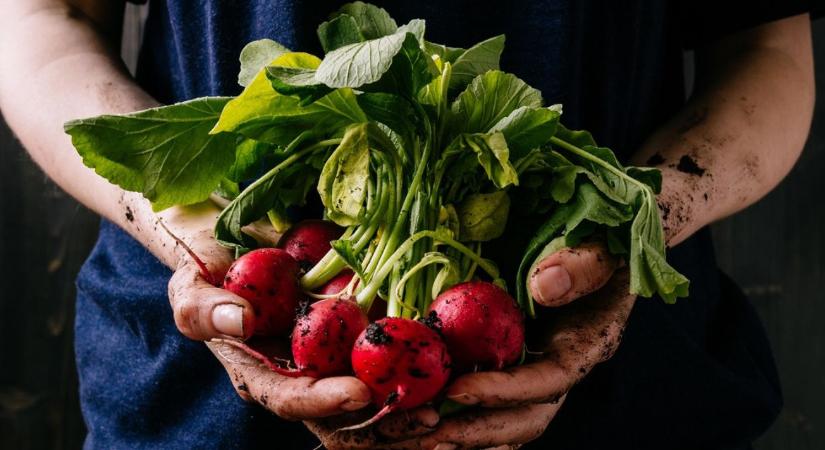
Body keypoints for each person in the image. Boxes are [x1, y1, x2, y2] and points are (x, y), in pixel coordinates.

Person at [0, 1, 817, 448]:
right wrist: (184, 222)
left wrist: (630, 223)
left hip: (630, 396)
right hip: (197, 402)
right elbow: (44, 17)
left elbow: (764, 47)